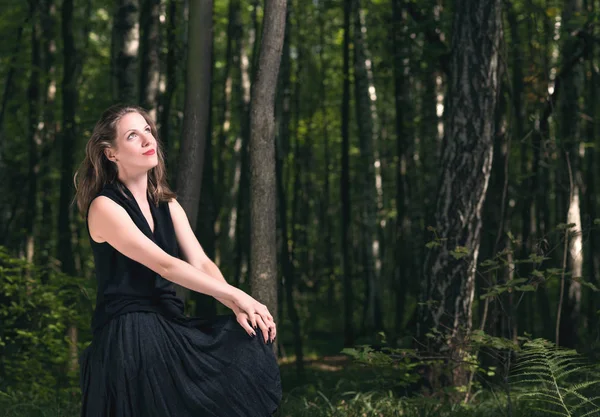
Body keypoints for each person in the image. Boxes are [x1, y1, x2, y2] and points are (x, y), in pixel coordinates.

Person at [74, 104, 282, 417]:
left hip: (169, 322)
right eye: (133, 135)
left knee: (245, 342)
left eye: (148, 130)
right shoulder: (104, 207)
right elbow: (165, 265)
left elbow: (200, 262)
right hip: (129, 331)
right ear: (111, 153)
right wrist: (238, 295)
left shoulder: (168, 205)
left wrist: (237, 306)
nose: (148, 140)